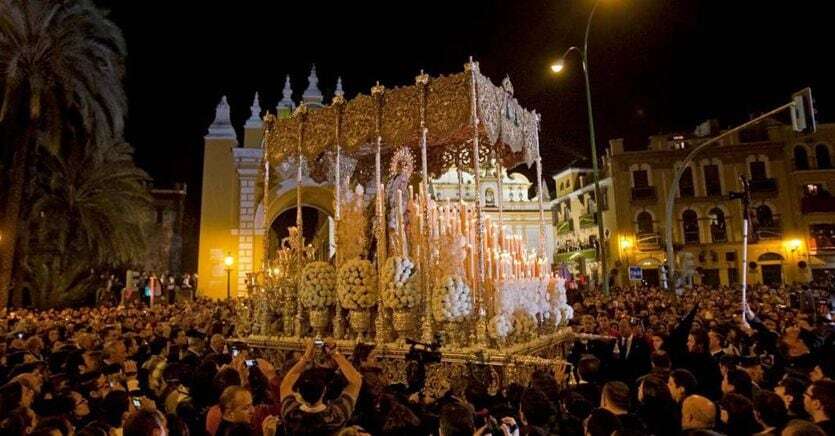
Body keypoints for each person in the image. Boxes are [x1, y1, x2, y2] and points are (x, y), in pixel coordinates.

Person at [280, 340, 362, 435]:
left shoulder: (290, 413)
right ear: (324, 391)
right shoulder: (335, 417)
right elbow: (356, 381)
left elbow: (286, 384)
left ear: (299, 392)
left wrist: (306, 358)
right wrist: (334, 353)